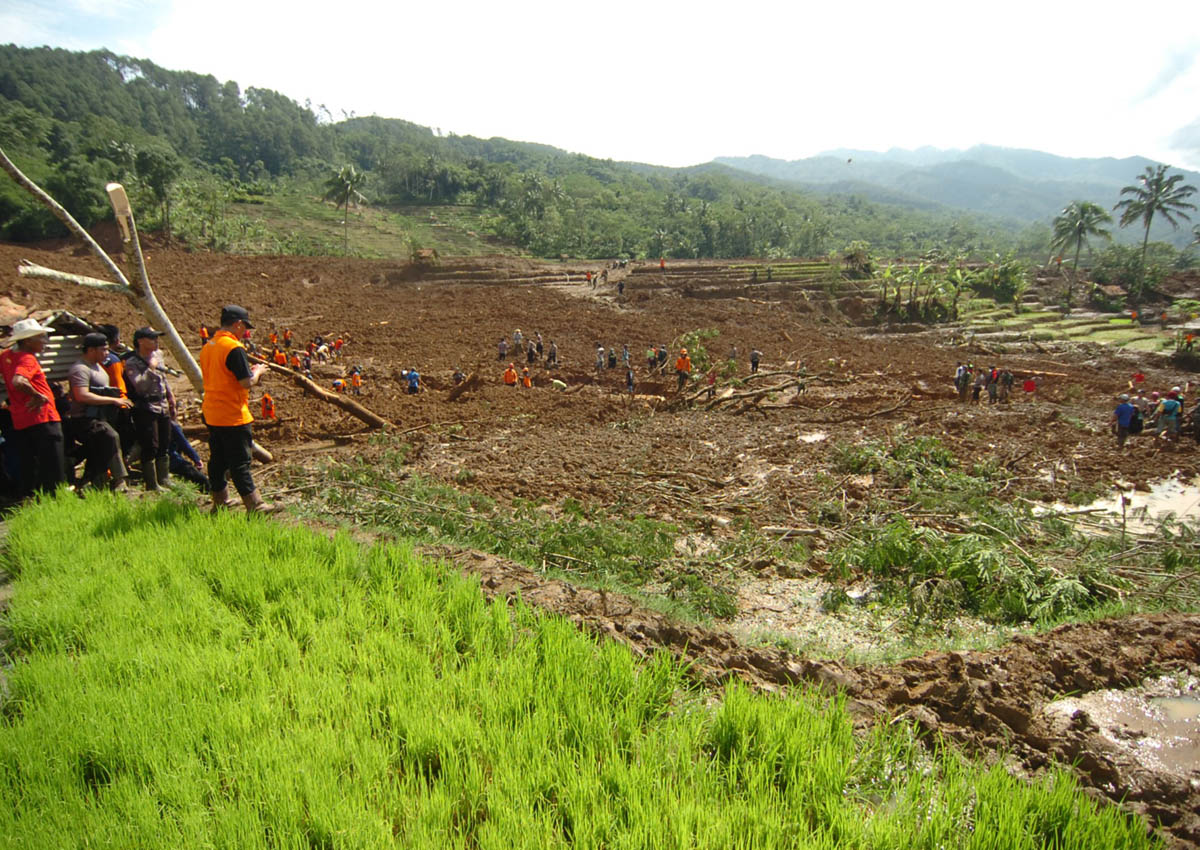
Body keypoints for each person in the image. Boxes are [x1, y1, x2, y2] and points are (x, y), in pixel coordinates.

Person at [200, 305, 276, 513]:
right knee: (240, 462)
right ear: (237, 324)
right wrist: (258, 371)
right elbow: (246, 383)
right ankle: (255, 505)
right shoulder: (234, 348)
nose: (245, 332)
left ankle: (220, 501)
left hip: (212, 412)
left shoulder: (210, 345)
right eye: (245, 327)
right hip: (232, 414)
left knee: (217, 459)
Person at [0, 318, 66, 496]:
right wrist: (38, 395)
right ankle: (58, 498)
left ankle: (30, 498)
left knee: (29, 463)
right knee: (54, 464)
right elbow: (18, 381)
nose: (44, 342)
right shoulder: (27, 358)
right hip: (43, 417)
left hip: (21, 419)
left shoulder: (6, 356)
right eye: (41, 337)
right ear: (28, 340)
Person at [65, 332, 132, 491]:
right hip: (84, 419)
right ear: (91, 350)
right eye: (104, 349)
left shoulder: (98, 367)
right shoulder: (80, 369)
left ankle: (91, 484)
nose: (107, 353)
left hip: (101, 416)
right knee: (110, 437)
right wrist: (113, 400)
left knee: (98, 452)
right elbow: (81, 395)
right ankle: (120, 479)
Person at [123, 327, 177, 491]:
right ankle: (152, 484)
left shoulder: (158, 355)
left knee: (164, 441)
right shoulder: (132, 362)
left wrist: (171, 397)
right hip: (146, 407)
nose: (156, 341)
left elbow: (164, 379)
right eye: (152, 338)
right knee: (150, 444)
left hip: (162, 405)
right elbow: (140, 386)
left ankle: (164, 478)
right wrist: (151, 369)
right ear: (140, 341)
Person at [167, 420, 209, 491]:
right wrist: (197, 459)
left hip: (158, 460)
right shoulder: (172, 425)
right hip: (173, 460)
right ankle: (209, 493)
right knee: (202, 480)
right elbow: (184, 444)